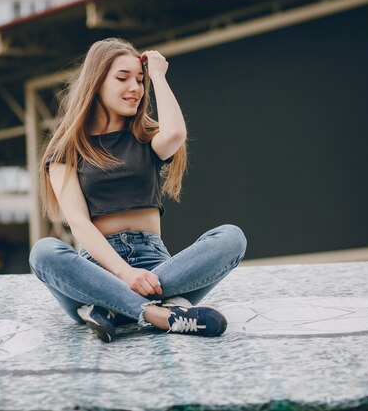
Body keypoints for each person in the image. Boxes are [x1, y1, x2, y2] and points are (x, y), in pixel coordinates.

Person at [29, 38, 247, 343]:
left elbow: (174, 133)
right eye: (122, 78)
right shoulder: (67, 148)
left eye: (139, 80)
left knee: (231, 238)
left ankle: (111, 309)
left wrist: (158, 74)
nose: (135, 87)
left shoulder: (146, 139)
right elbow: (78, 223)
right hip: (97, 270)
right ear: (97, 81)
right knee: (44, 252)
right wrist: (123, 274)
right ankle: (159, 313)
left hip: (156, 267)